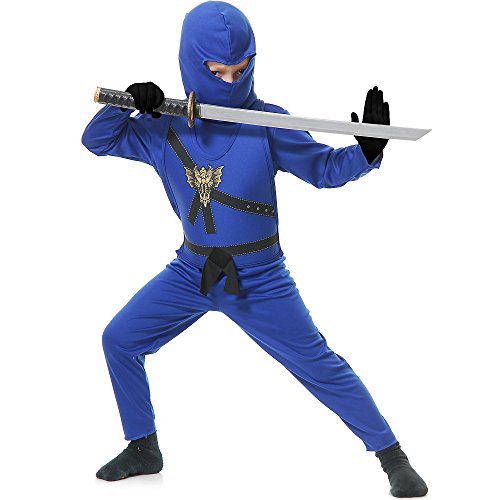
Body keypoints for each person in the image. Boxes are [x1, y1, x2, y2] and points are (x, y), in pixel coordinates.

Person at [82, 1, 428, 497]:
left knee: (319, 365)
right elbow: (97, 140)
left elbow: (325, 170)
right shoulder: (164, 127)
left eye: (239, 70)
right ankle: (143, 446)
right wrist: (129, 103)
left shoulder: (267, 123)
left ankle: (392, 457)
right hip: (191, 271)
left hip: (260, 278)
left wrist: (366, 152)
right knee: (119, 339)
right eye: (216, 71)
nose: (229, 81)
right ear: (191, 63)